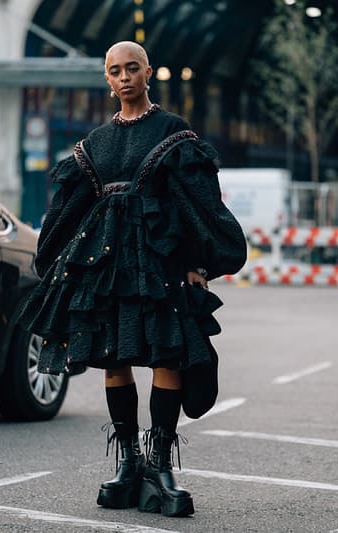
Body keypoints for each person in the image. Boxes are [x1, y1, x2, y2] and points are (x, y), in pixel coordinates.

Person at [18, 41, 246, 518]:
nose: (124, 77)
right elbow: (69, 211)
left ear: (148, 73)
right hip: (106, 271)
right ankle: (129, 463)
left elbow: (196, 204)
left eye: (132, 69)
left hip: (161, 267)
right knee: (113, 360)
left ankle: (160, 464)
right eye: (114, 71)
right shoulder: (94, 144)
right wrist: (58, 264)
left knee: (168, 355)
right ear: (107, 79)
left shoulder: (174, 132)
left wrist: (199, 265)